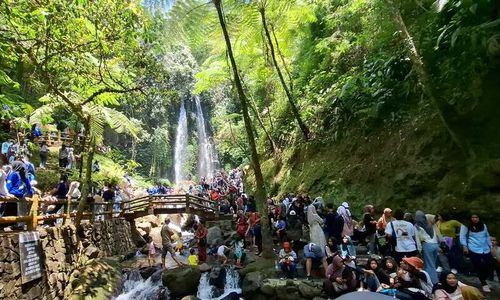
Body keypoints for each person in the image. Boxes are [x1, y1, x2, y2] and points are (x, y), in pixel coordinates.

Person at [460, 214, 494, 293]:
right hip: (473, 248)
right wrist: (465, 246)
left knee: (490, 264)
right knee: (478, 266)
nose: (475, 219)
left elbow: (487, 236)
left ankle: (484, 277)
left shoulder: (483, 225)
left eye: (476, 217)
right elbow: (462, 236)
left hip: (485, 248)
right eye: (473, 217)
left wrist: (491, 246)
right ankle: (484, 283)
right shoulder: (465, 226)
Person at [414, 210, 440, 284]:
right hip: (435, 245)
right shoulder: (429, 223)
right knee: (433, 264)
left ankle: (434, 283)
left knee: (429, 266)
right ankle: (434, 278)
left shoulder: (417, 226)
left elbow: (417, 239)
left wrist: (419, 250)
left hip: (427, 245)